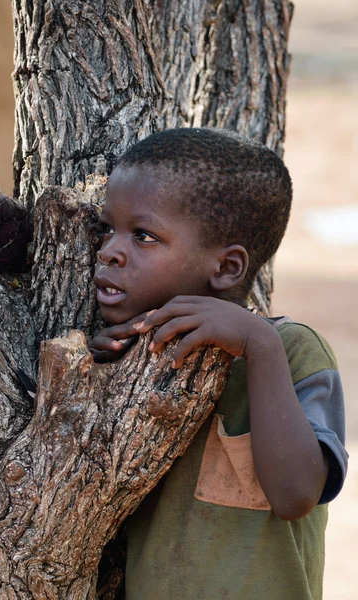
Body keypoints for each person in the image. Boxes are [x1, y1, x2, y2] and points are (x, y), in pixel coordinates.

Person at [87, 128, 348, 600]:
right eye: (106, 229)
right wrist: (99, 378)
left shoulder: (289, 350)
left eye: (142, 235)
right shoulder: (135, 356)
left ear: (227, 268)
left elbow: (296, 495)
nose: (109, 251)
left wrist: (259, 347)